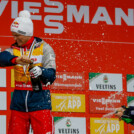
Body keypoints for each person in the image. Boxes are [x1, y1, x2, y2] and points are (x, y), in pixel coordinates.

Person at [0, 10, 56, 134]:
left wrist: (41, 71)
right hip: (18, 103)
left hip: (40, 101)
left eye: (16, 35)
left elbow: (52, 76)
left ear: (26, 34)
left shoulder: (45, 48)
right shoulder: (14, 49)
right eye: (13, 35)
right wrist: (16, 60)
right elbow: (1, 58)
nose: (14, 38)